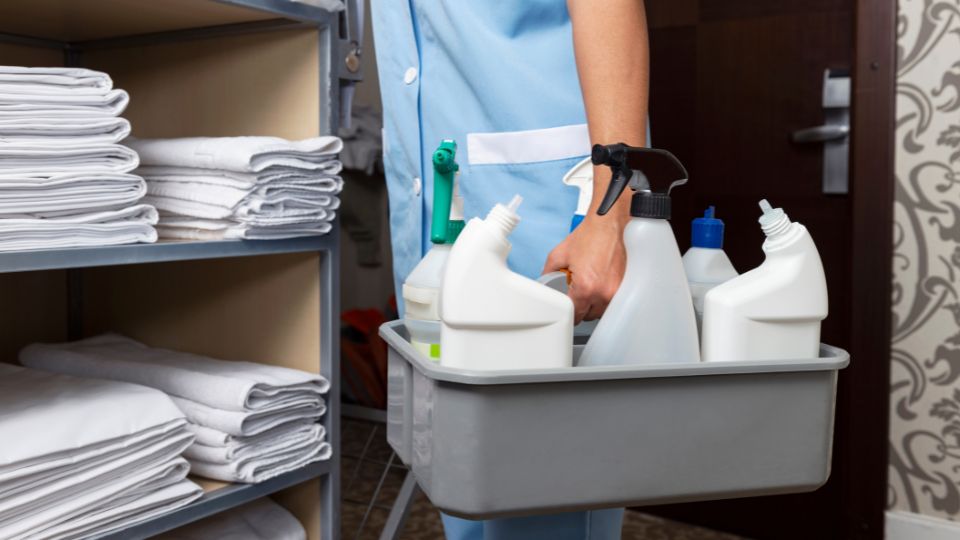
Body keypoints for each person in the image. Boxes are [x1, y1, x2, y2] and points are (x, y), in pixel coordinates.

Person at [371, 0, 649, 538]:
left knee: (550, 498)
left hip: (548, 213)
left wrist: (609, 210)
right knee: (470, 493)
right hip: (443, 220)